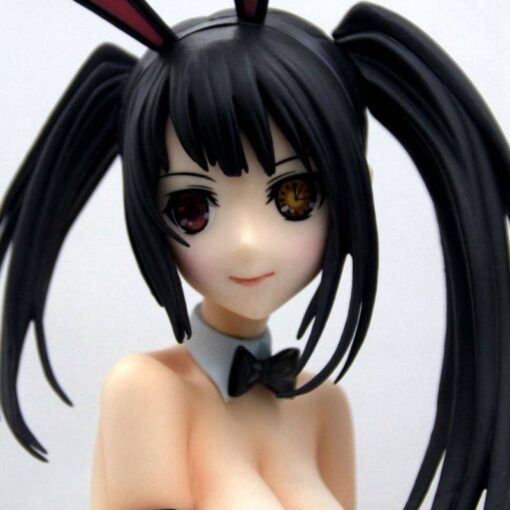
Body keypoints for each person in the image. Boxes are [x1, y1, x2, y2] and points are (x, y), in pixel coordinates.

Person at [1, 0, 509, 508]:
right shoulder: (146, 392)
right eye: (191, 209)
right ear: (144, 210)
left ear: (355, 191)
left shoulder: (322, 406)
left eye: (295, 197)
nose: (246, 241)